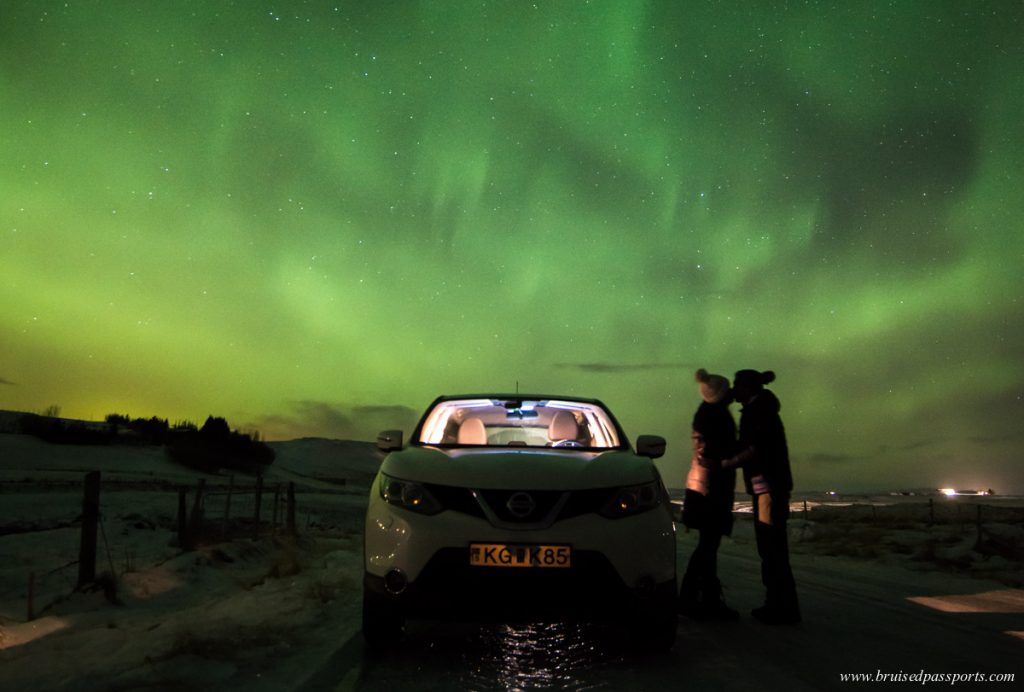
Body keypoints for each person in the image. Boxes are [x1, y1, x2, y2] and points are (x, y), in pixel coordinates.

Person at [706, 369, 800, 625]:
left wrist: (723, 463)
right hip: (767, 487)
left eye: (738, 384)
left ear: (749, 387)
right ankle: (780, 605)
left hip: (768, 488)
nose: (734, 389)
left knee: (771, 547)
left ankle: (781, 608)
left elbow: (752, 449)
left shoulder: (759, 412)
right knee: (771, 547)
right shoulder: (760, 410)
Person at [679, 368, 739, 620]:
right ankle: (698, 599)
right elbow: (711, 454)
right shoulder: (713, 416)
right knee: (708, 545)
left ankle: (699, 598)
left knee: (708, 544)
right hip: (710, 488)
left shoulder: (708, 414)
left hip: (705, 486)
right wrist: (728, 462)